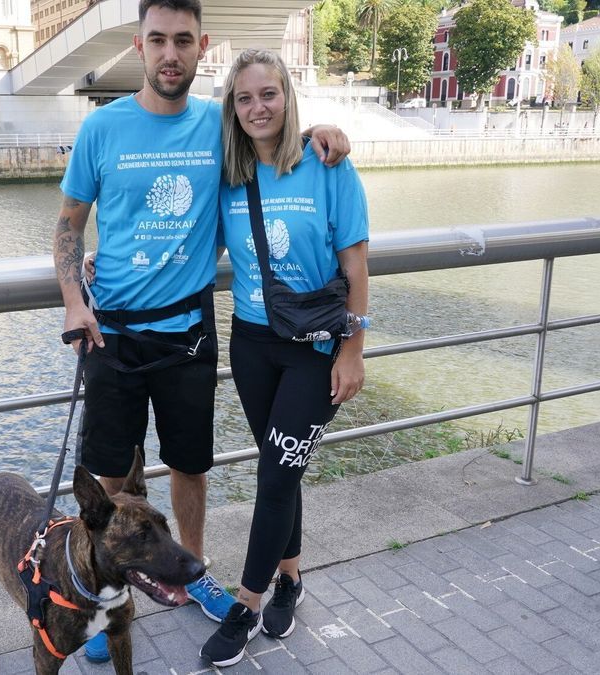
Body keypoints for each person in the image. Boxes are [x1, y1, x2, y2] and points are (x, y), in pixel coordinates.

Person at [51, 0, 351, 663]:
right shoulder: (102, 129)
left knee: (191, 466)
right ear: (139, 45)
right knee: (105, 479)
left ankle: (192, 575)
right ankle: (104, 599)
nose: (169, 53)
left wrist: (321, 131)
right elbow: (69, 224)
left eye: (182, 41)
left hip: (188, 329)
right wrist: (75, 297)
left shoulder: (219, 130)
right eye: (157, 40)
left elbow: (272, 138)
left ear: (201, 46)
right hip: (113, 336)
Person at [199, 48, 369, 668]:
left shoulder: (328, 165)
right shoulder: (229, 176)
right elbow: (181, 242)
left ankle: (246, 604)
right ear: (232, 108)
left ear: (288, 95)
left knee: (274, 477)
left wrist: (353, 348)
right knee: (280, 465)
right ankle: (292, 579)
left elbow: (356, 266)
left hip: (316, 348)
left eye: (267, 94)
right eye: (244, 98)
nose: (257, 108)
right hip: (252, 345)